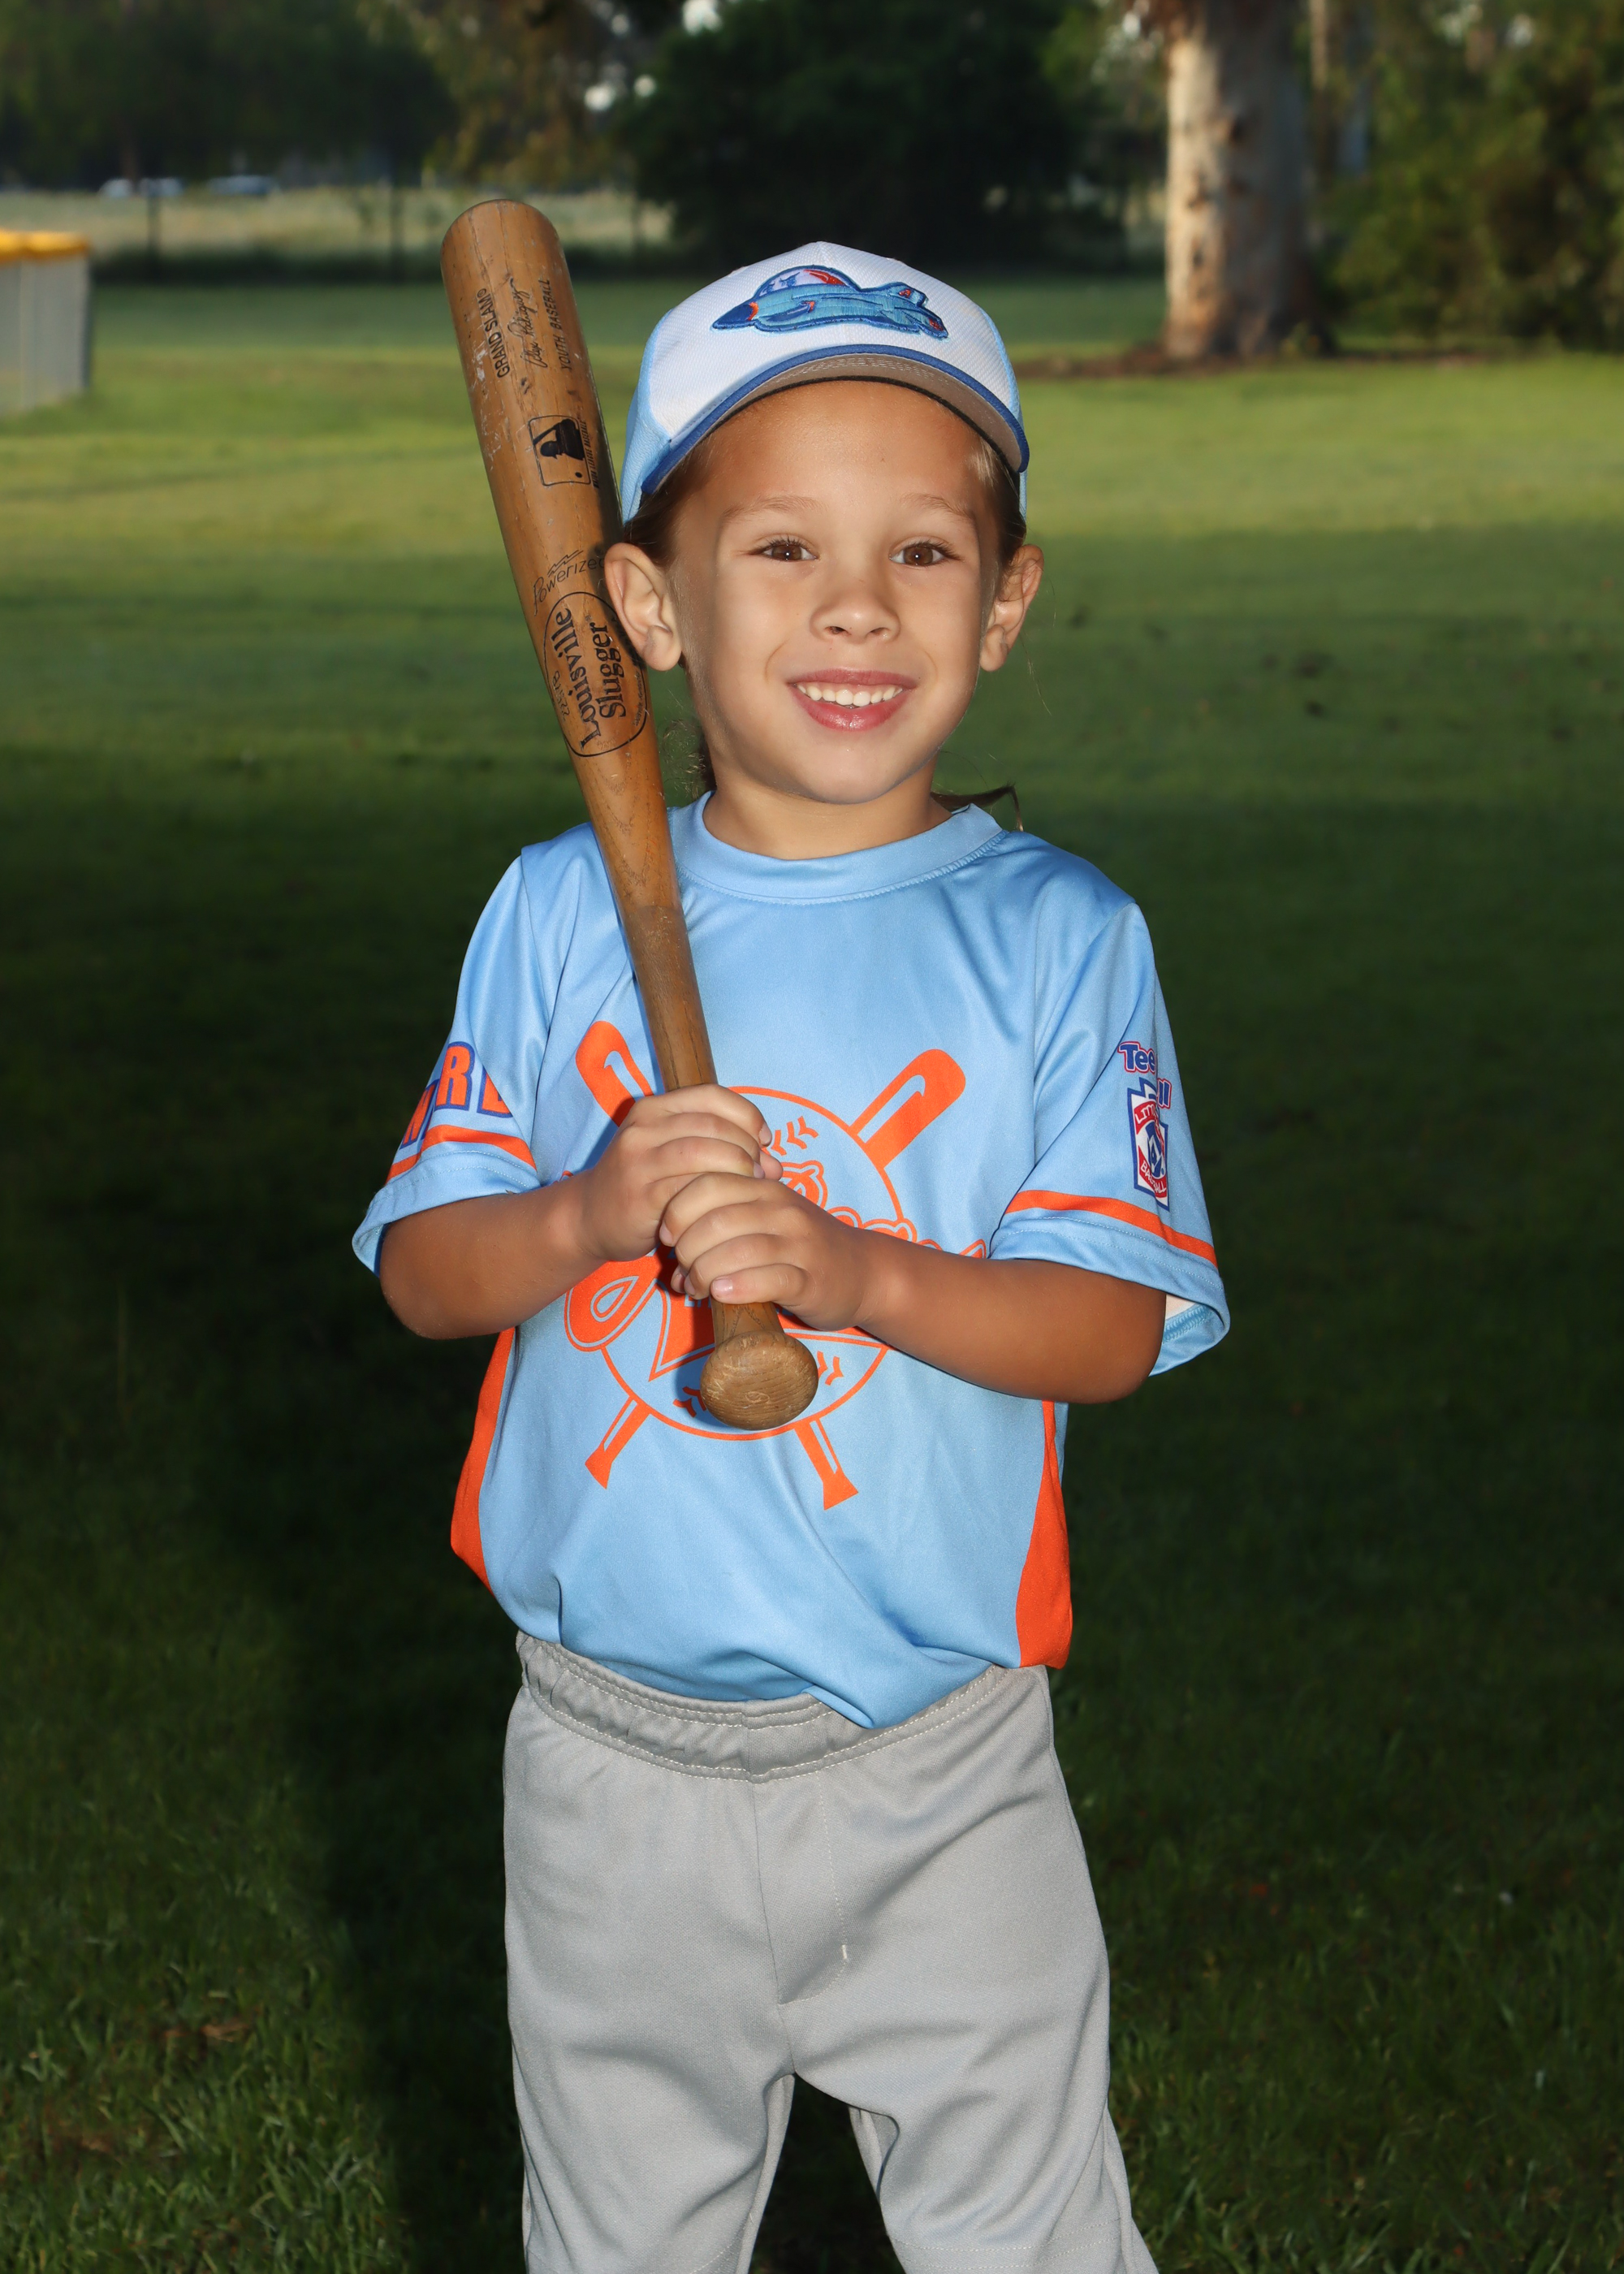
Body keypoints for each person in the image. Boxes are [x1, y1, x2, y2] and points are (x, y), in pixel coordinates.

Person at [354, 243, 1229, 2274]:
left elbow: (1108, 1325)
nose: (855, 605)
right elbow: (423, 1274)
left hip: (935, 1762)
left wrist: (858, 1270)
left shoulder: (1057, 938)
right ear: (645, 606)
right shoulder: (554, 910)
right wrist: (585, 1212)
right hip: (604, 1758)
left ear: (1003, 601)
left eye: (923, 549)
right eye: (780, 549)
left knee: (1031, 2242)